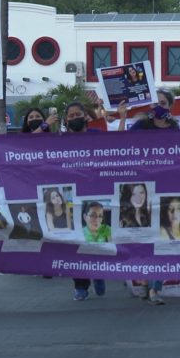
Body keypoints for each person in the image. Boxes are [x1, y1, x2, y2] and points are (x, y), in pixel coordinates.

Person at [126, 89, 178, 304]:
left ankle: (155, 287)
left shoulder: (174, 127)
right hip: (142, 188)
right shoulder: (140, 126)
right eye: (155, 103)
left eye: (163, 103)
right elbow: (123, 148)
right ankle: (145, 281)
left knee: (163, 237)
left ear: (169, 107)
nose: (158, 106)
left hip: (166, 187)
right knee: (145, 238)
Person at [64, 101, 107, 301]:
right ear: (65, 120)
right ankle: (80, 284)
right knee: (75, 243)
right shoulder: (57, 141)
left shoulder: (97, 137)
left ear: (85, 117)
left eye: (78, 114)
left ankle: (98, 272)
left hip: (95, 193)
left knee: (95, 237)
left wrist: (122, 119)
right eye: (71, 116)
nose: (75, 118)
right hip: (70, 198)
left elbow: (121, 146)